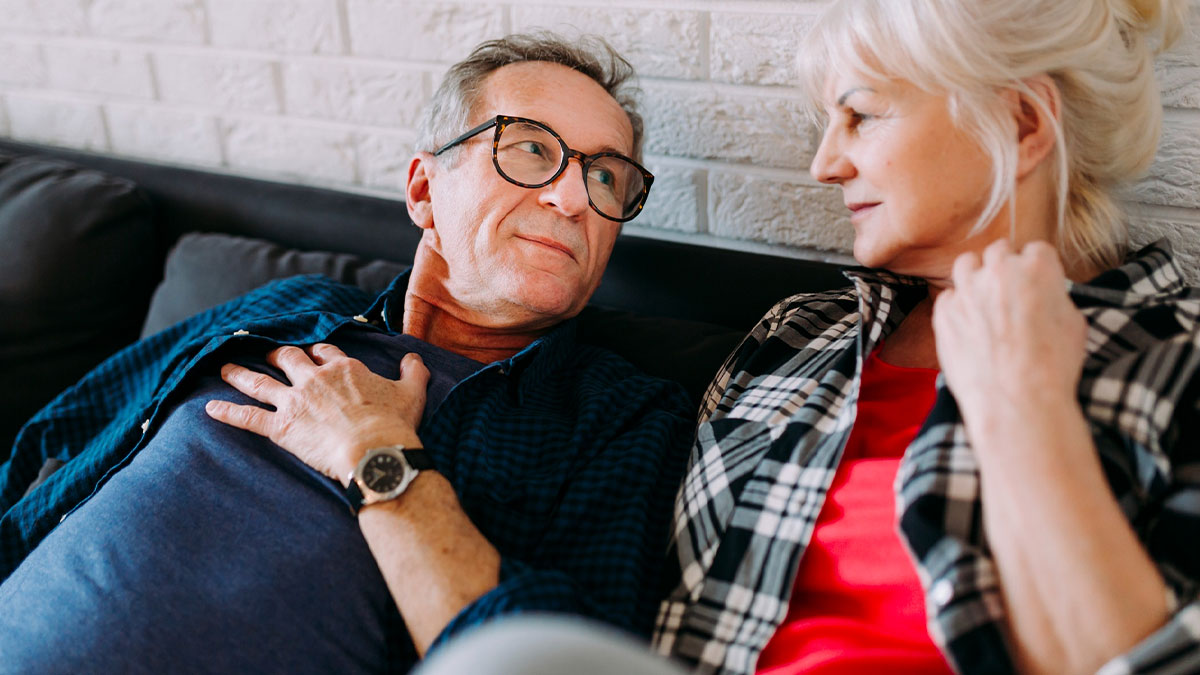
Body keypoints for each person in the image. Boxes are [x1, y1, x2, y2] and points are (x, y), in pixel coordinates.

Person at [414, 1, 1200, 674]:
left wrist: (1026, 411)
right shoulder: (795, 337)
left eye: (860, 114)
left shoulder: (1175, 357)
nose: (825, 164)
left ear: (1021, 122)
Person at [0, 33, 694, 673]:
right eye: (533, 148)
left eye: (608, 176)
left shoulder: (620, 415)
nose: (575, 195)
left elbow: (560, 659)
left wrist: (375, 449)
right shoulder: (287, 307)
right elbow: (55, 439)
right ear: (424, 190)